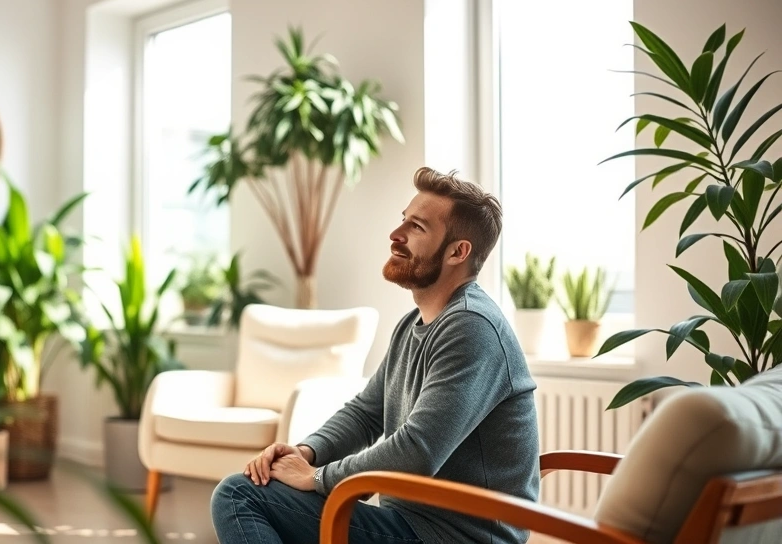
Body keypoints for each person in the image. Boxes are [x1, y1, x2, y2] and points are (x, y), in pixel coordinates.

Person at [210, 167, 540, 543]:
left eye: (416, 228)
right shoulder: (413, 325)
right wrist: (307, 452)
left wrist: (319, 478)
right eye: (403, 221)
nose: (395, 235)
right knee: (249, 491)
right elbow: (367, 412)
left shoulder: (472, 328)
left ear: (457, 252)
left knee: (239, 495)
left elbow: (419, 450)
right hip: (411, 524)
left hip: (455, 536)